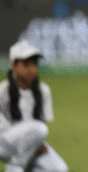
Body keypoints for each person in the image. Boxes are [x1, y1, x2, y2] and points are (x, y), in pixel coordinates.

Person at [0, 41, 68, 172]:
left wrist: (36, 142)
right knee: (40, 129)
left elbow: (41, 125)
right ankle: (14, 167)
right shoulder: (3, 90)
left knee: (59, 168)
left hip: (29, 145)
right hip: (4, 143)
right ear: (13, 65)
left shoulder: (43, 91)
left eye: (34, 63)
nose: (31, 68)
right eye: (26, 63)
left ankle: (18, 166)